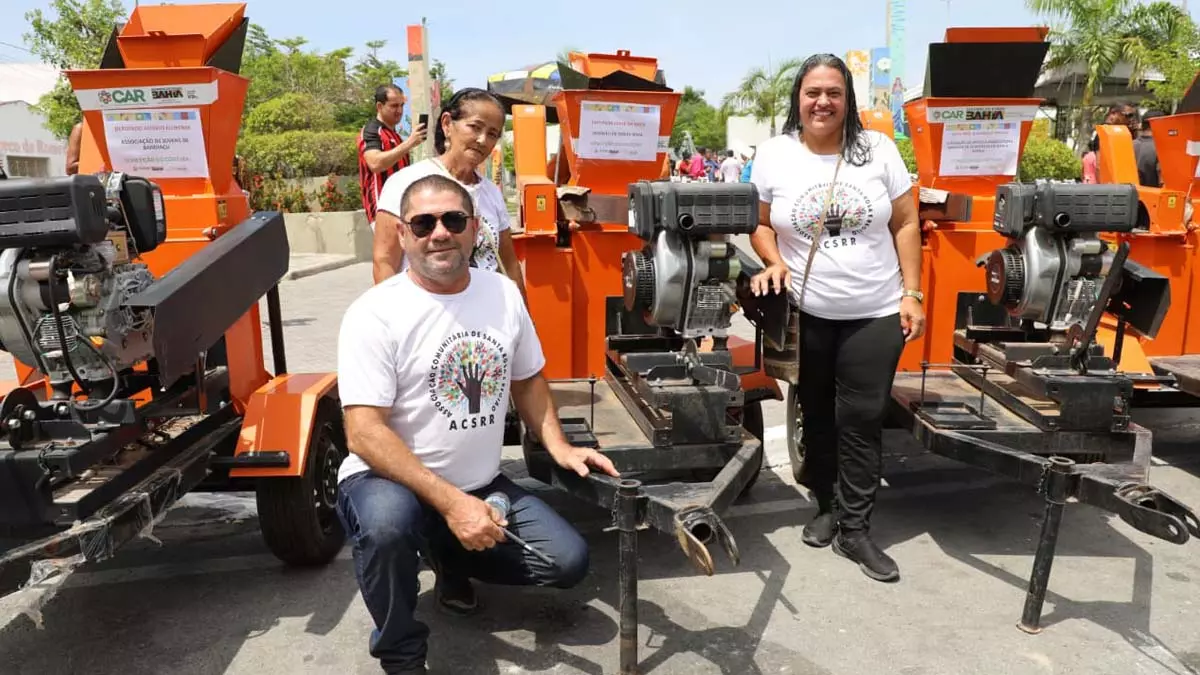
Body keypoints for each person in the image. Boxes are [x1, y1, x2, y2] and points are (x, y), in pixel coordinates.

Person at [337, 173, 620, 675]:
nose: (438, 233)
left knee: (567, 562)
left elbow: (528, 378)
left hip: (480, 481)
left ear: (475, 230)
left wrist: (558, 445)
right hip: (385, 481)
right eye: (422, 223)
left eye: (453, 220)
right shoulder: (375, 313)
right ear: (402, 234)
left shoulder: (503, 293)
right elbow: (363, 432)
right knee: (386, 528)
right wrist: (453, 503)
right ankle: (402, 654)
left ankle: (447, 554)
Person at [748, 53, 923, 583]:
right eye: (812, 93)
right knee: (816, 415)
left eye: (833, 92)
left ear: (847, 101)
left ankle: (855, 529)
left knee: (862, 421)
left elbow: (907, 221)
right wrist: (774, 260)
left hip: (874, 311)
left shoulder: (878, 151)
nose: (822, 102)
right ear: (797, 101)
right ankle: (825, 505)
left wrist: (912, 292)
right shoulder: (775, 155)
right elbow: (758, 224)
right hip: (807, 313)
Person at [371, 88, 526, 302]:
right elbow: (384, 261)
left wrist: (525, 320)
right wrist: (393, 321)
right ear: (446, 124)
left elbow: (509, 264)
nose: (482, 140)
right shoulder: (405, 183)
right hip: (425, 316)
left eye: (492, 134)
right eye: (474, 127)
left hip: (483, 319)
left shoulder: (491, 192)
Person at [358, 84, 427, 233]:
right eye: (394, 106)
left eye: (402, 105)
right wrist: (409, 143)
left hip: (402, 208)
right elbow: (375, 163)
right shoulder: (372, 130)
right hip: (383, 210)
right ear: (379, 106)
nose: (400, 111)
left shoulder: (395, 135)